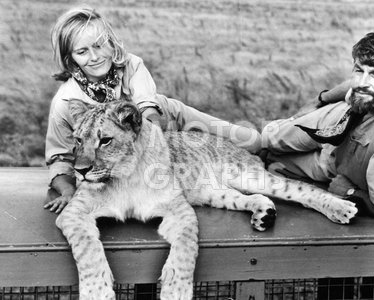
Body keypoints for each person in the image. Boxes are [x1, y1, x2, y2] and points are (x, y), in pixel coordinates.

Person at [44, 6, 261, 213]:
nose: (94, 57)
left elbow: (148, 112)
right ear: (70, 59)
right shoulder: (64, 102)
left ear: (111, 42)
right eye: (82, 51)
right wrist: (67, 191)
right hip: (125, 146)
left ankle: (284, 143)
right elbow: (59, 158)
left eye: (99, 46)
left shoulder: (131, 64)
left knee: (252, 142)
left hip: (168, 118)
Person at [261, 28, 374, 225]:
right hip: (344, 120)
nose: (361, 83)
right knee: (269, 138)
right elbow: (359, 80)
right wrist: (321, 99)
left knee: (270, 159)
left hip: (340, 168)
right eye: (359, 70)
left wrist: (350, 192)